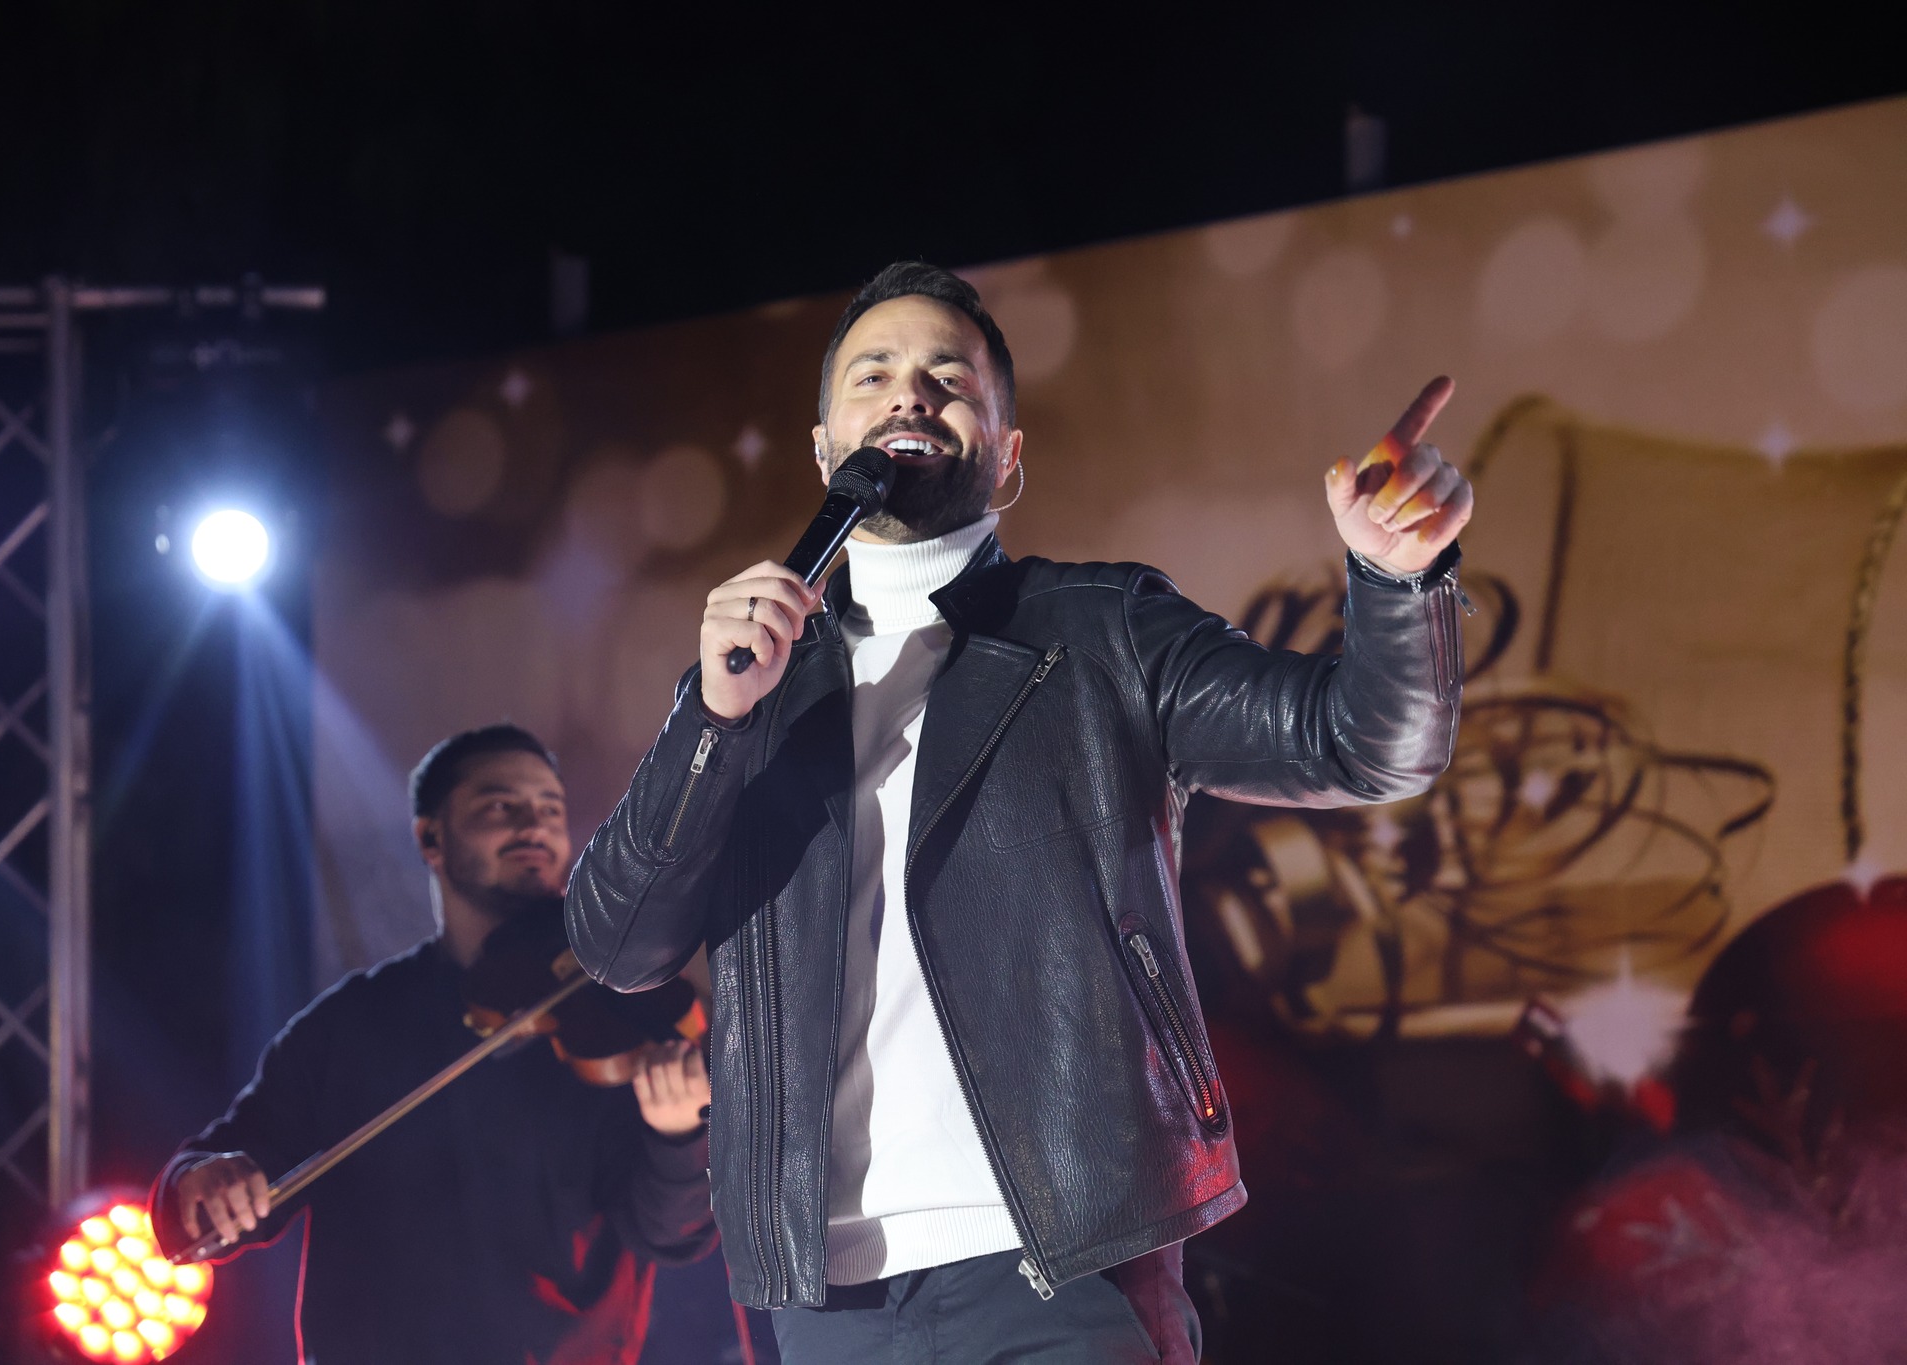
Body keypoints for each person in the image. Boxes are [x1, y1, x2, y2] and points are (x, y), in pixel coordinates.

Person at [566, 260, 1473, 1363]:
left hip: (1064, 1261)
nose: (909, 394)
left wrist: (1396, 583)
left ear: (1007, 455)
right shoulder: (754, 683)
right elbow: (617, 944)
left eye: (948, 378)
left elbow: (1363, 744)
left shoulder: (1101, 629)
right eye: (873, 375)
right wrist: (712, 719)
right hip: (827, 1298)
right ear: (822, 447)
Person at [152, 725, 716, 1365]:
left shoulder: (619, 1014)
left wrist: (679, 1134)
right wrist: (203, 1180)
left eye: (550, 809)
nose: (534, 825)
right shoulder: (349, 1025)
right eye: (500, 806)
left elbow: (669, 1235)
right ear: (430, 838)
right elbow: (219, 1170)